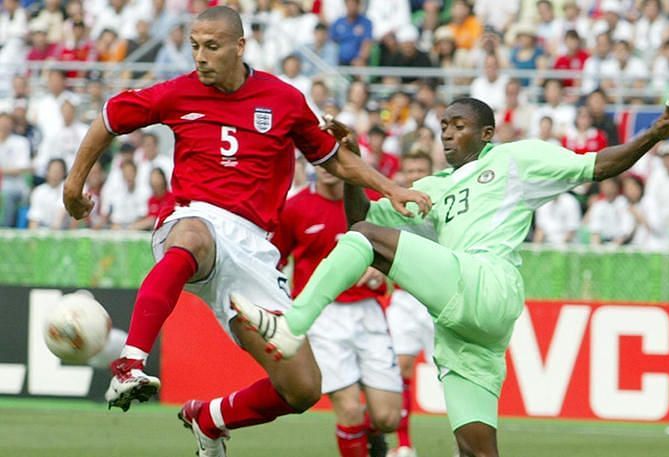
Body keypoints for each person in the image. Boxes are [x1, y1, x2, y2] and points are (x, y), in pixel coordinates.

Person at [233, 94, 669, 457]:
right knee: (476, 447)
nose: (449, 135)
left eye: (460, 126)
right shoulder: (432, 187)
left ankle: (292, 328)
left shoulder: (515, 159)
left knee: (364, 243)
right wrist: (356, 166)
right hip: (464, 329)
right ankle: (294, 328)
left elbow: (597, 165)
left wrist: (653, 135)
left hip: (487, 281)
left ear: (488, 132)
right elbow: (360, 221)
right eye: (444, 128)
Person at [62, 6, 430, 457]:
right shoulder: (178, 93)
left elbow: (333, 157)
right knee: (194, 235)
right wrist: (73, 185)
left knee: (302, 388)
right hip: (192, 217)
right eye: (195, 46)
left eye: (211, 47)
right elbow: (110, 117)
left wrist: (390, 187)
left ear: (240, 46)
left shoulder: (283, 100)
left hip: (253, 247)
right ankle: (130, 363)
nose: (200, 57)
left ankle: (211, 419)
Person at [273, 166, 401, 457]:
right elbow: (275, 261)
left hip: (368, 310)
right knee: (350, 408)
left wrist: (380, 271)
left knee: (388, 418)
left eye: (333, 161)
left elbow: (395, 250)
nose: (327, 169)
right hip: (323, 317)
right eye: (320, 161)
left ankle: (372, 439)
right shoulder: (295, 208)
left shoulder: (368, 203)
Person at [385, 151, 435, 457]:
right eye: (410, 169)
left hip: (438, 299)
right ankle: (404, 445)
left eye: (421, 169)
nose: (415, 174)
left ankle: (465, 444)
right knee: (400, 367)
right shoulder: (393, 208)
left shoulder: (443, 203)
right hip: (404, 298)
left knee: (451, 372)